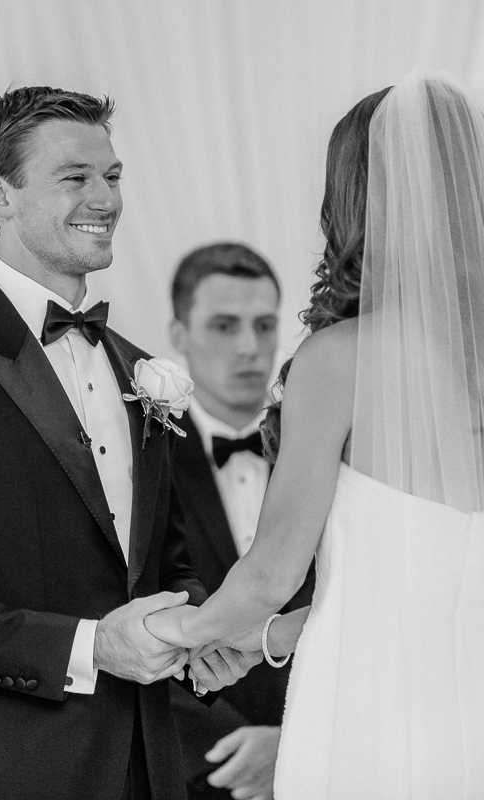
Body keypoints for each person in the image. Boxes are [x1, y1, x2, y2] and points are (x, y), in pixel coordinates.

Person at [147, 72, 484, 799]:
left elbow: (271, 575)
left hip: (368, 720)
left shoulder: (338, 359)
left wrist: (178, 639)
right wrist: (265, 640)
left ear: (354, 198)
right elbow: (450, 590)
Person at [0, 86, 257, 800]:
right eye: (76, 177)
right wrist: (90, 647)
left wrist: (194, 630)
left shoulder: (139, 369)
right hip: (2, 774)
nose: (105, 198)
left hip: (149, 769)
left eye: (113, 176)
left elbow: (166, 562)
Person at [167, 243, 313, 800]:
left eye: (264, 325)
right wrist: (227, 750)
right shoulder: (143, 463)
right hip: (194, 776)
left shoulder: (326, 451)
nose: (249, 347)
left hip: (328, 757)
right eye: (224, 326)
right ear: (179, 334)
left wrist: (297, 744)